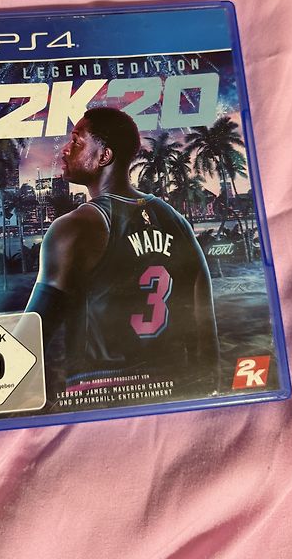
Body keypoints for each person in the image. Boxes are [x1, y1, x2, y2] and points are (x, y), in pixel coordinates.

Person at [25, 107, 220, 396]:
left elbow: (29, 341)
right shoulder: (176, 222)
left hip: (101, 392)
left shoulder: (75, 227)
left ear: (104, 156)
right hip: (172, 387)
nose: (65, 149)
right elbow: (205, 332)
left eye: (76, 141)